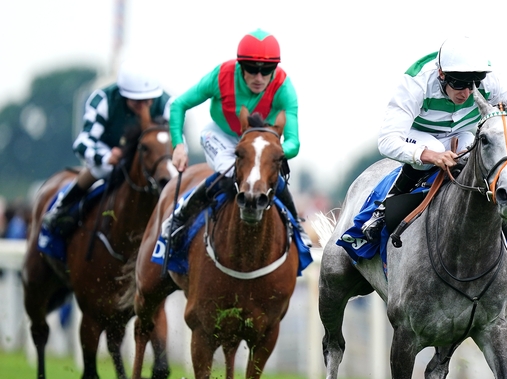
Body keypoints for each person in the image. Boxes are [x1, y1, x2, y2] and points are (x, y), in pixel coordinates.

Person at [361, 35, 507, 242]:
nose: (466, 93)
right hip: (417, 136)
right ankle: (383, 210)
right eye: (459, 84)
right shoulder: (416, 83)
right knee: (434, 145)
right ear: (441, 74)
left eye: (472, 85)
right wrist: (430, 155)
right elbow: (387, 140)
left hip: (460, 135)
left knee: (474, 152)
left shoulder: (490, 81)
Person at [163, 28, 308, 245]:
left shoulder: (284, 87)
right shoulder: (221, 75)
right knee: (229, 170)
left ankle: (296, 224)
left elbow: (293, 142)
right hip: (220, 135)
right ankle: (179, 217)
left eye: (267, 70)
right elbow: (179, 104)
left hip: (259, 143)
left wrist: (269, 153)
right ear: (241, 65)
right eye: (252, 69)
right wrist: (178, 145)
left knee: (267, 172)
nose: (259, 78)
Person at [42, 60, 172, 236]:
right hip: (109, 151)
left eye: (148, 100)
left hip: (147, 154)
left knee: (169, 174)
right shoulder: (102, 100)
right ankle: (62, 209)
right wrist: (105, 157)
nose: (144, 105)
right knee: (102, 168)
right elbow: (82, 142)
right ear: (124, 94)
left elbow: (177, 141)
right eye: (137, 101)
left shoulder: (166, 103)